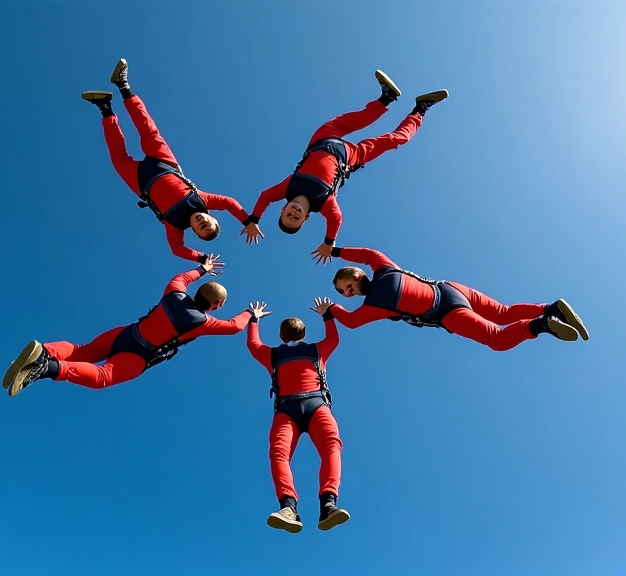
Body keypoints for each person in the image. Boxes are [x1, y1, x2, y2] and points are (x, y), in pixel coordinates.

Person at [240, 70, 448, 265]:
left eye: (288, 215)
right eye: (296, 218)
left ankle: (387, 97)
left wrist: (254, 219)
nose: (293, 213)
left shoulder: (287, 189)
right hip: (350, 158)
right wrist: (329, 242)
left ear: (283, 208)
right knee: (395, 140)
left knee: (353, 120)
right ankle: (421, 109)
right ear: (306, 217)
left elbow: (265, 196)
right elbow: (336, 218)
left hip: (322, 141)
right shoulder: (323, 204)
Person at [2, 256, 263, 396]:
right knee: (104, 377)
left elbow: (181, 278)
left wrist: (201, 269)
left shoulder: (174, 293)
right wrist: (251, 314)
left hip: (125, 333)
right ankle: (45, 367)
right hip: (137, 356)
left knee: (82, 351)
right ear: (216, 304)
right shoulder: (202, 322)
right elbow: (234, 326)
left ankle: (44, 351)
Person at [82, 58, 254, 263]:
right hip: (164, 165)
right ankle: (123, 85)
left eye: (202, 229)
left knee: (118, 159)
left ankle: (105, 108)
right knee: (148, 130)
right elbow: (228, 203)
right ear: (211, 216)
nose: (203, 223)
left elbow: (177, 250)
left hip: (142, 183)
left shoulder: (175, 226)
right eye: (208, 223)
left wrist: (202, 258)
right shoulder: (202, 200)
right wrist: (248, 220)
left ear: (195, 233)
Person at [325, 246, 590, 350]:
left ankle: (541, 324)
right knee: (504, 312)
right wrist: (334, 250)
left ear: (357, 277)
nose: (347, 294)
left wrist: (330, 309)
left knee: (497, 339)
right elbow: (368, 254)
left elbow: (349, 322)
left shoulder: (373, 306)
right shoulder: (384, 268)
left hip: (448, 314)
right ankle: (552, 307)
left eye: (346, 287)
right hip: (450, 289)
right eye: (342, 293)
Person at [245, 298, 350, 533]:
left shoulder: (273, 354)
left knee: (280, 455)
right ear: (303, 333)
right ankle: (324, 504)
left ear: (282, 335)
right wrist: (327, 314)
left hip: (289, 409)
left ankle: (293, 507)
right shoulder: (316, 349)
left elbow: (253, 344)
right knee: (330, 447)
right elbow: (334, 338)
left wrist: (254, 318)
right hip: (313, 406)